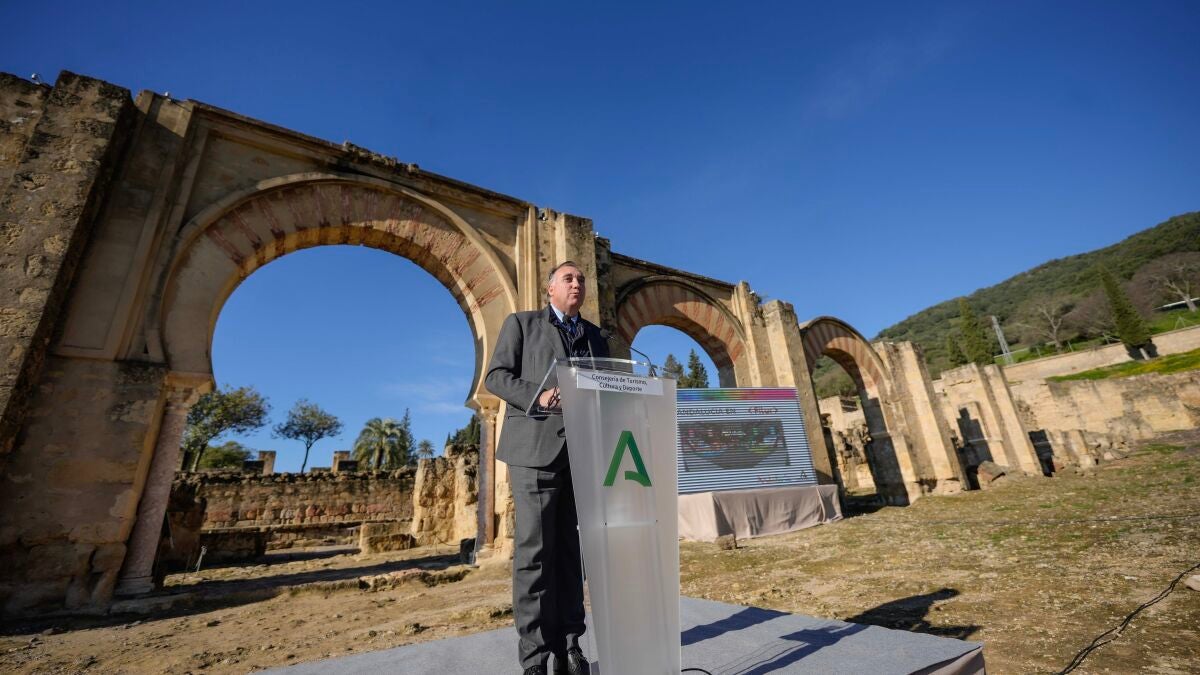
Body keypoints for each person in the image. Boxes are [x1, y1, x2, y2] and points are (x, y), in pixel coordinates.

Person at [485, 261, 608, 675]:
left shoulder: (596, 337)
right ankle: (535, 658)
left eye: (581, 279)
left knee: (572, 555)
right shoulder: (522, 324)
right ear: (550, 288)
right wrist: (537, 397)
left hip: (582, 454)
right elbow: (496, 377)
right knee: (535, 554)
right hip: (535, 451)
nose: (577, 284)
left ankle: (570, 646)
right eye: (568, 278)